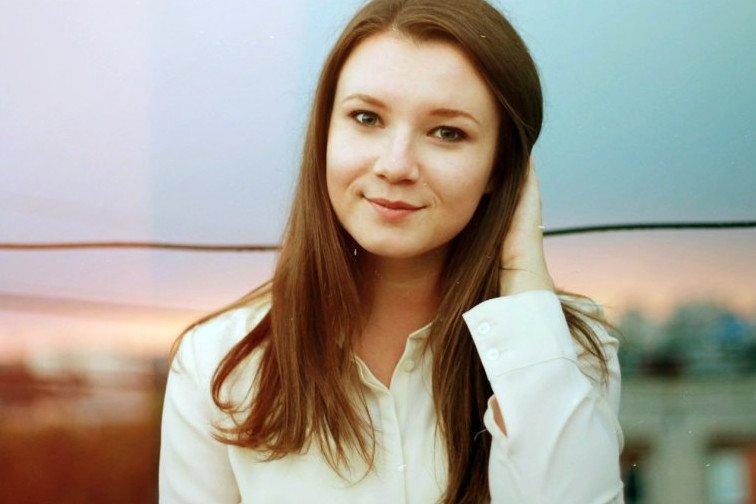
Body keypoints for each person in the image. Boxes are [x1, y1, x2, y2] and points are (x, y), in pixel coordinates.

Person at [159, 0, 624, 502]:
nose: (396, 165)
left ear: (501, 167)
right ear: (324, 135)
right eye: (366, 118)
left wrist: (522, 269)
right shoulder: (216, 364)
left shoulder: (561, 350)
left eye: (447, 132)